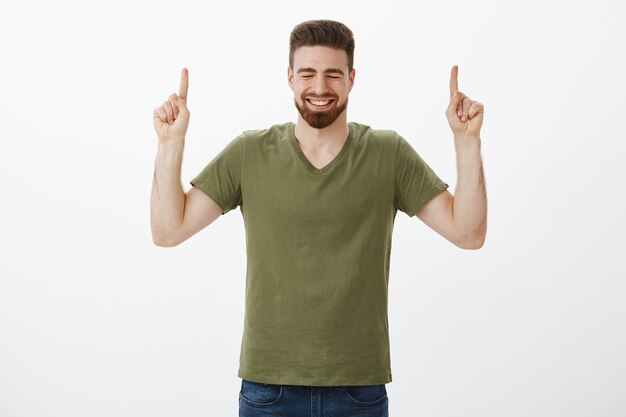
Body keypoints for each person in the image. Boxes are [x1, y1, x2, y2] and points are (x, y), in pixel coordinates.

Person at [151, 19, 486, 417]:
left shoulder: (388, 153)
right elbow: (168, 230)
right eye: (307, 73)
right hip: (268, 389)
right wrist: (171, 144)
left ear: (351, 78)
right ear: (290, 78)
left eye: (333, 74)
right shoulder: (249, 153)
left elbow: (468, 233)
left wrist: (467, 143)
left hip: (358, 389)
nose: (320, 87)